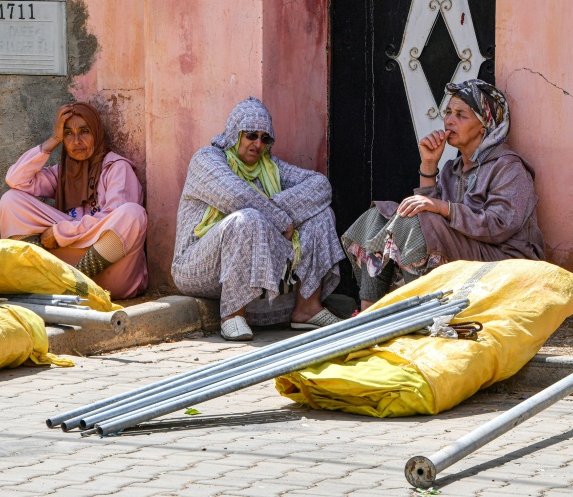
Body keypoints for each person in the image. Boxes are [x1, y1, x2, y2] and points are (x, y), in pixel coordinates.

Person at [342, 79, 545, 310]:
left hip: (504, 260)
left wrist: (443, 208)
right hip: (465, 250)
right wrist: (429, 165)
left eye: (461, 114)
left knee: (416, 221)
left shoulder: (508, 167)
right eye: (448, 112)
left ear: (484, 125)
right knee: (380, 215)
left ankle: (419, 312)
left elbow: (500, 225)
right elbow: (429, 215)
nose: (449, 120)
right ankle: (369, 310)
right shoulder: (452, 169)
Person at [171, 97, 345, 341]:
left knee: (321, 213)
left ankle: (307, 308)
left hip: (256, 253)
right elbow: (236, 196)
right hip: (196, 266)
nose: (258, 144)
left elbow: (320, 185)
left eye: (265, 138)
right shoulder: (207, 159)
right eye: (251, 135)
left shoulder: (270, 166)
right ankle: (232, 314)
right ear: (235, 133)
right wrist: (280, 220)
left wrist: (277, 210)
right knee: (248, 217)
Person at [0, 102, 148, 299]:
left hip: (112, 273)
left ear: (97, 133)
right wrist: (54, 139)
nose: (76, 141)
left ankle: (73, 285)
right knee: (11, 200)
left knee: (133, 213)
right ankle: (42, 278)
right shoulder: (62, 173)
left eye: (84, 131)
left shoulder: (116, 168)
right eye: (68, 134)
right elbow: (15, 179)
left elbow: (117, 219)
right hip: (66, 266)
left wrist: (60, 232)